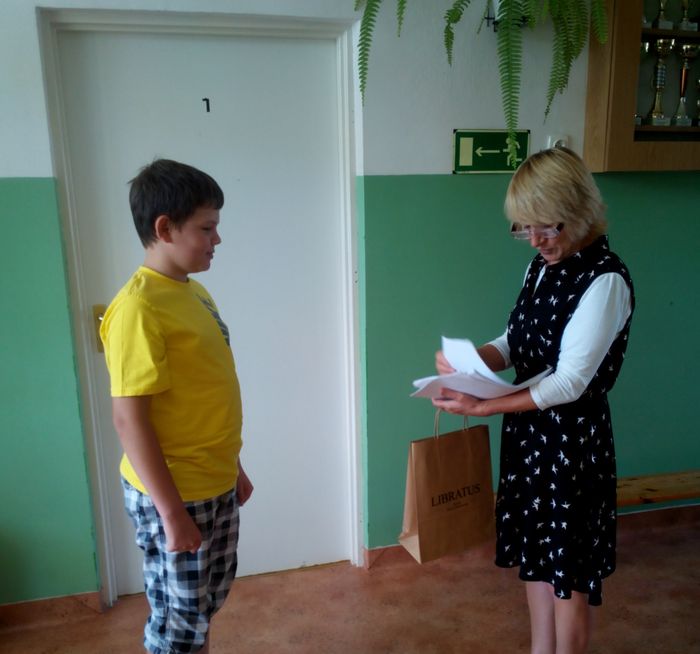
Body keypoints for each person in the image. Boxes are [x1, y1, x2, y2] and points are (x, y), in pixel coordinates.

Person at [433, 147, 634, 654]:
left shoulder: (605, 279)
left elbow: (570, 383)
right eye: (524, 228)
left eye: (547, 226)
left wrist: (485, 407)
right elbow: (514, 341)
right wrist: (468, 361)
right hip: (529, 437)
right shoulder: (541, 267)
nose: (536, 239)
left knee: (568, 577)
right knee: (537, 561)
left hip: (571, 446)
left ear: (580, 211)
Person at [100, 159, 253, 654]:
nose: (217, 239)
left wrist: (233, 466)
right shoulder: (138, 308)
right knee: (177, 626)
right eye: (206, 228)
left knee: (201, 609)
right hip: (175, 492)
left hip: (213, 479)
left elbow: (206, 391)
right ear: (165, 228)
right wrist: (170, 513)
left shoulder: (195, 292)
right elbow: (129, 419)